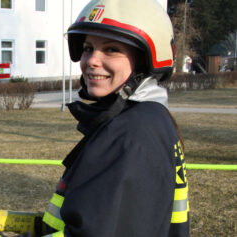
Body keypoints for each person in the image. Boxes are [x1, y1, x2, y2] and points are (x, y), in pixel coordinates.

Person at [41, 0, 189, 236]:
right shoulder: (147, 120)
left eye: (111, 49)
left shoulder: (131, 133)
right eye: (88, 48)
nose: (91, 61)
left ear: (144, 60)